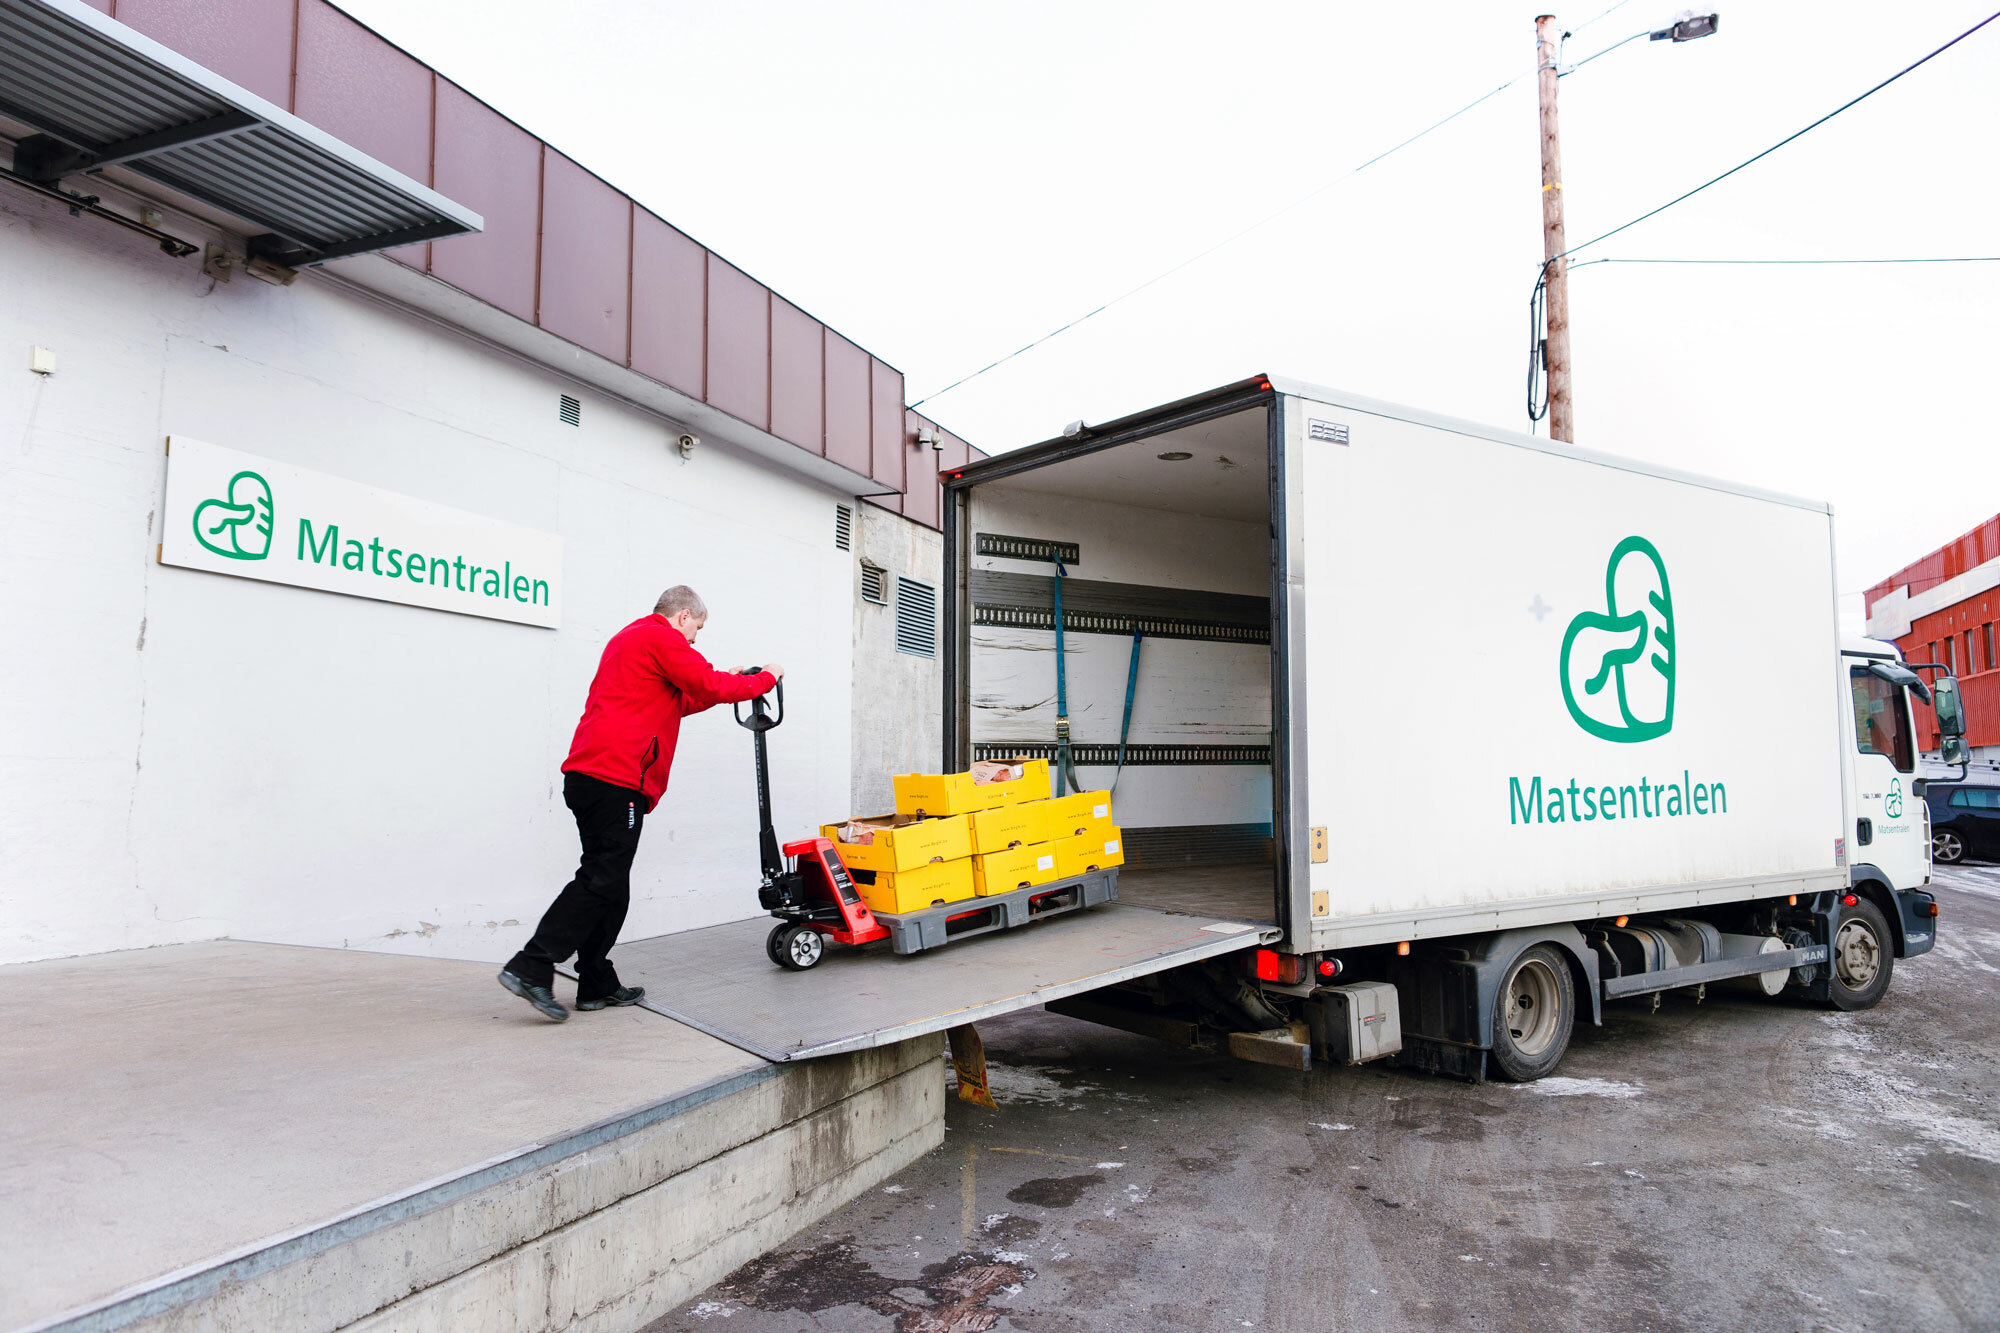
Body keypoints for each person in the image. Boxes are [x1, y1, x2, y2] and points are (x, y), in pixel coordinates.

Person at [498, 586, 781, 1021]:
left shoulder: (631, 640)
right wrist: (764, 679)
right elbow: (705, 682)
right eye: (697, 630)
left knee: (612, 882)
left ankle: (595, 981)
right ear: (684, 616)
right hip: (614, 778)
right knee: (600, 878)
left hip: (595, 776)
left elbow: (683, 699)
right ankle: (532, 965)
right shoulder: (659, 637)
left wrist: (732, 680)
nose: (695, 640)